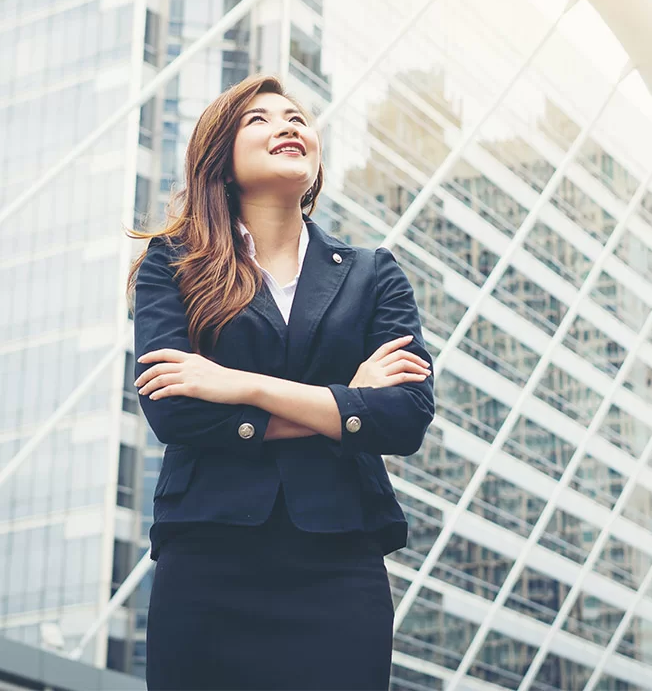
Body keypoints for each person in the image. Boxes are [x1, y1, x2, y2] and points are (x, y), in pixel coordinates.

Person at [126, 74, 435, 691]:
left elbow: (403, 417)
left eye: (297, 117)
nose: (288, 125)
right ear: (221, 156)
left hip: (340, 564)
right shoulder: (174, 263)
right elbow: (177, 412)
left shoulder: (374, 275)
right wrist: (345, 401)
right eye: (259, 120)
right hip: (209, 559)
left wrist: (238, 384)